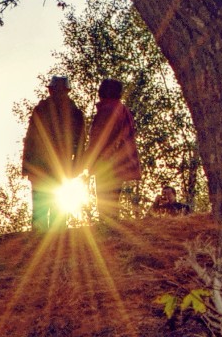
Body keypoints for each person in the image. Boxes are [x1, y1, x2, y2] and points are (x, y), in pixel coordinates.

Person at [21, 76, 86, 234]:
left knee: (43, 206)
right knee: (53, 206)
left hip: (43, 166)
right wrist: (77, 166)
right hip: (57, 166)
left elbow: (30, 139)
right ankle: (54, 241)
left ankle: (44, 242)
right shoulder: (74, 113)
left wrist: (26, 166)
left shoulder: (43, 110)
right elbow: (81, 144)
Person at [84, 78, 142, 220]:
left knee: (105, 205)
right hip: (120, 163)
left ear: (102, 92)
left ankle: (107, 236)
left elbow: (98, 139)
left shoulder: (107, 110)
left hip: (106, 163)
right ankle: (112, 234)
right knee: (112, 203)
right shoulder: (122, 109)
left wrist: (84, 161)